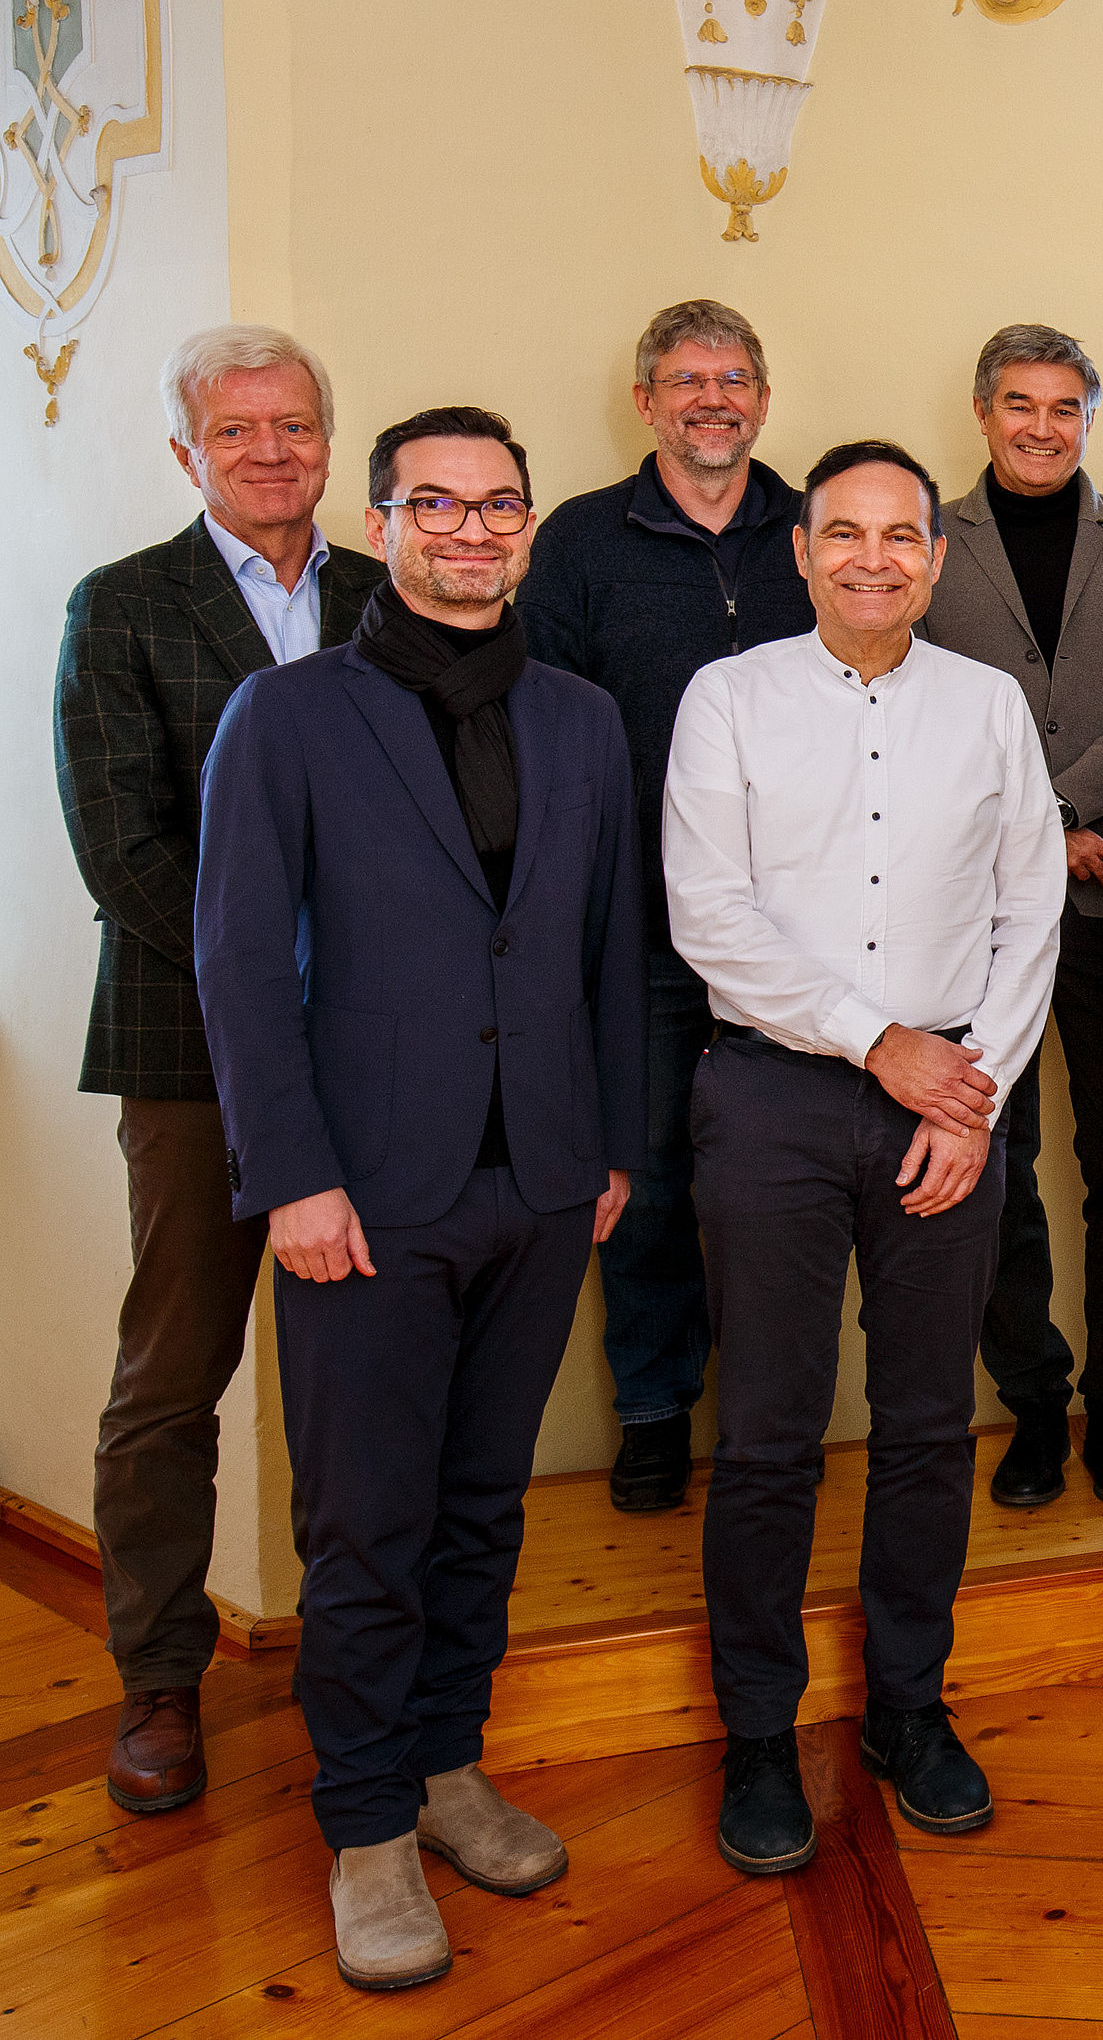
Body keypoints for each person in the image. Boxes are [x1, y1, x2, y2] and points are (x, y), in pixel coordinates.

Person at [196, 407, 641, 1991]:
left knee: (479, 1505)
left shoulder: (585, 720)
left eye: (499, 504)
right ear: (381, 522)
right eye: (435, 504)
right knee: (366, 1524)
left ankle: (449, 1766)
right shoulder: (287, 714)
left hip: (536, 1180)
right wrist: (292, 1182)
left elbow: (604, 952)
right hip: (362, 1196)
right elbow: (241, 969)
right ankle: (368, 1823)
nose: (471, 529)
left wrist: (605, 1148)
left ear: (527, 527)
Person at [664, 442, 1068, 1876]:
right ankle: (760, 1734)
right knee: (768, 1434)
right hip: (773, 1100)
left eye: (903, 535)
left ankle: (908, 1705)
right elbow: (708, 914)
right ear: (803, 550)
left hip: (950, 1101)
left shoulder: (991, 705)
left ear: (936, 558)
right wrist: (873, 1041)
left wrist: (971, 1098)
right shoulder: (730, 699)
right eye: (846, 533)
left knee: (922, 1427)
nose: (875, 558)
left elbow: (1033, 912)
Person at [54, 325, 385, 1819]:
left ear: (329, 440)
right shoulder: (122, 606)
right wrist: (288, 984)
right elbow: (126, 854)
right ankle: (160, 1682)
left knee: (365, 1380)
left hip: (385, 1059)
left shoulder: (388, 597)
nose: (271, 451)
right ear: (187, 452)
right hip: (193, 1053)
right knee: (172, 1377)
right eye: (238, 430)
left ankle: (364, 1676)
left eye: (296, 426)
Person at [518, 298, 813, 1515]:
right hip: (631, 929)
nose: (713, 398)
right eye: (686, 379)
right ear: (644, 401)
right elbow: (540, 723)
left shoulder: (812, 530)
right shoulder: (581, 543)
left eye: (735, 376)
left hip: (792, 932)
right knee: (641, 1185)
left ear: (760, 396)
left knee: (777, 1186)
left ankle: (768, 1417)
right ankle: (652, 1410)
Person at [919, 326, 1103, 1510]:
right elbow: (910, 705)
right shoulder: (927, 537)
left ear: (1090, 416)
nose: (1043, 425)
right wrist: (1029, 834)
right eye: (1020, 404)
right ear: (982, 412)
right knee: (992, 1158)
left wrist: (1062, 809)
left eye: (1067, 406)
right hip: (965, 902)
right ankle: (1034, 1401)